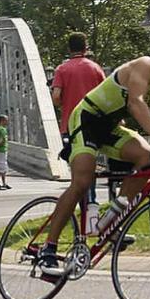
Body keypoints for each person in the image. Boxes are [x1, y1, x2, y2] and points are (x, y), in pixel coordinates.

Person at [37, 32, 150, 275]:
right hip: (88, 118)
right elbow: (135, 102)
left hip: (111, 127)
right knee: (82, 181)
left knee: (147, 158)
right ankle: (48, 249)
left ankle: (108, 222)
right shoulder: (147, 66)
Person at [51, 31, 106, 205]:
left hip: (70, 125)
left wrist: (63, 103)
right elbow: (106, 94)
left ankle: (80, 206)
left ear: (69, 48)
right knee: (91, 165)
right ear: (85, 47)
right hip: (93, 125)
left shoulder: (62, 69)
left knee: (77, 167)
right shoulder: (95, 68)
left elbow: (56, 97)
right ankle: (91, 203)